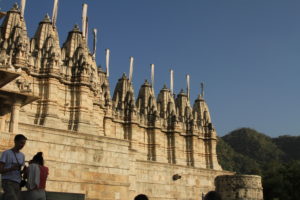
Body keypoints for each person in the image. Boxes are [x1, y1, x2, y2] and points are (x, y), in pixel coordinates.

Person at [0, 134, 27, 200]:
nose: (22, 145)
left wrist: (24, 171)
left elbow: (19, 172)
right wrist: (11, 168)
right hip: (7, 181)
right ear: (15, 141)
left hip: (17, 182)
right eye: (21, 143)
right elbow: (0, 170)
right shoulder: (6, 153)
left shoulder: (22, 156)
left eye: (24, 144)